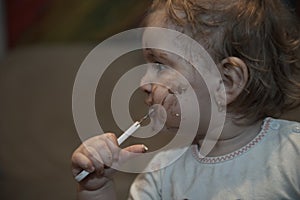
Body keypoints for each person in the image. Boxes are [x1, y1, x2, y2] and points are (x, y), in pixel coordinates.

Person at [71, 0, 300, 199]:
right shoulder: (161, 173)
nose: (142, 83)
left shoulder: (292, 154)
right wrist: (96, 190)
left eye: (160, 64)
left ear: (226, 82)